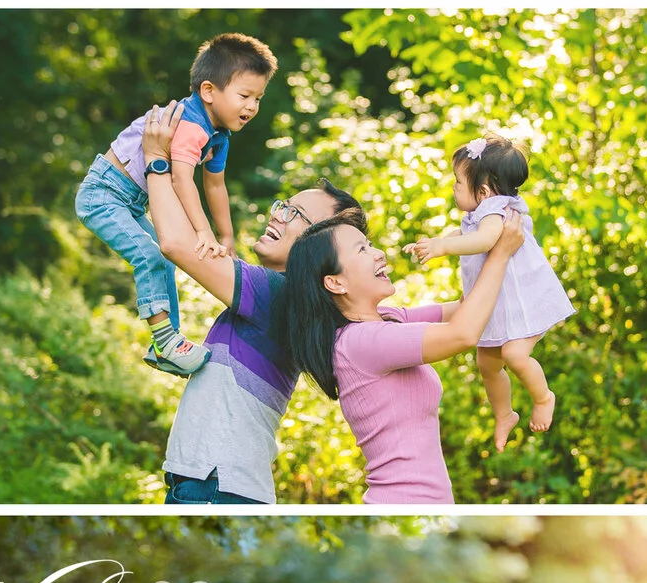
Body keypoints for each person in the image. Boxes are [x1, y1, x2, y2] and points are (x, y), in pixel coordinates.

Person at [133, 102, 366, 503]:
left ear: (320, 246)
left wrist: (157, 161)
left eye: (294, 214)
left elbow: (174, 243)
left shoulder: (276, 293)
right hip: (215, 482)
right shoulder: (285, 299)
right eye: (283, 205)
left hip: (215, 483)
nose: (277, 215)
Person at [280, 211, 529, 504]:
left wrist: (477, 235)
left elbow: (468, 307)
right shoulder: (359, 343)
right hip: (404, 503)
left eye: (370, 244)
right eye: (362, 249)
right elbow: (463, 333)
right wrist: (499, 256)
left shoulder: (387, 320)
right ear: (335, 283)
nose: (379, 254)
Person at [76, 32, 276, 377]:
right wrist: (203, 232)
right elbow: (181, 179)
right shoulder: (191, 124)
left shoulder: (218, 135)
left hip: (130, 202)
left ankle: (166, 347)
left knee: (163, 260)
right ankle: (167, 341)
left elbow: (215, 184)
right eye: (244, 95)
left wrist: (226, 237)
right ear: (209, 91)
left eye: (258, 98)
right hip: (104, 194)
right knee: (150, 255)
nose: (252, 106)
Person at [404, 136, 575, 451]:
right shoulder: (480, 213)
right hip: (501, 308)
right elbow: (466, 234)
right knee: (487, 362)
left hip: (525, 304)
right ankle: (504, 414)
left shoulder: (497, 212)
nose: (453, 187)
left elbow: (483, 241)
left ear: (482, 192)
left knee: (514, 354)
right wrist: (434, 240)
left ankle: (543, 397)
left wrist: (442, 247)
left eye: (457, 182)